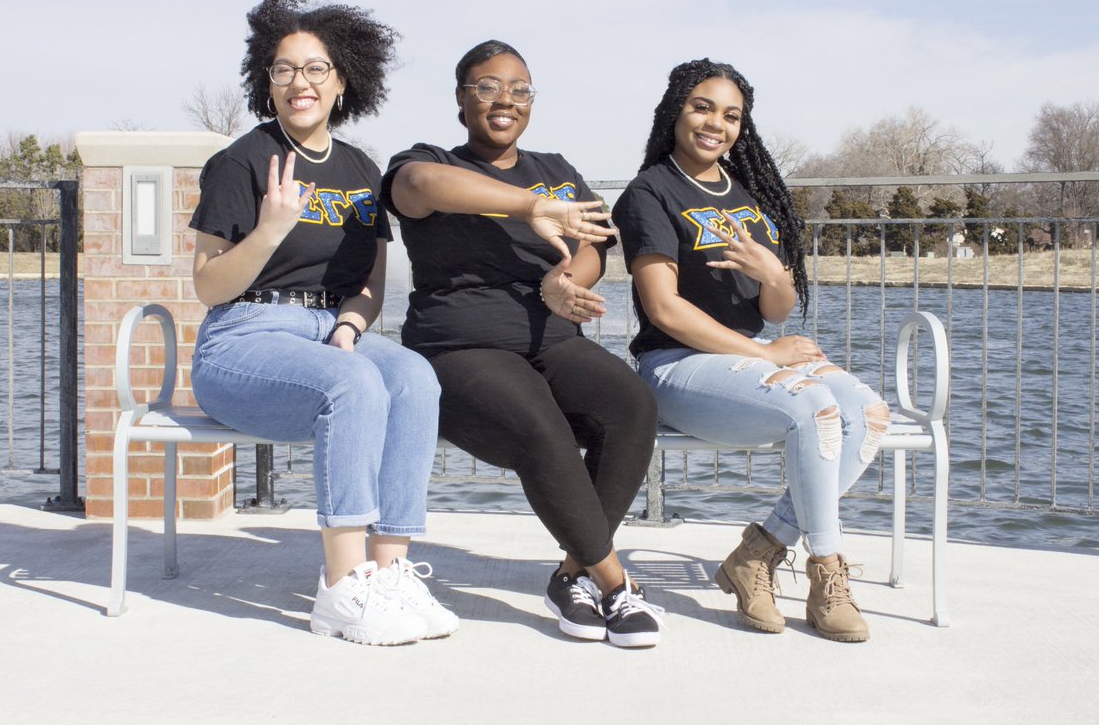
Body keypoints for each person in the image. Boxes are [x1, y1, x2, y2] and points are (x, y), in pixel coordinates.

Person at [189, 0, 455, 647]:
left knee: (414, 376)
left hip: (326, 332)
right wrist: (270, 230)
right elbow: (206, 284)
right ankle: (341, 585)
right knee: (354, 384)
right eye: (284, 69)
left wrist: (349, 329)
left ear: (343, 81)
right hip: (242, 340)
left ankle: (389, 572)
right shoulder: (242, 162)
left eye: (315, 69)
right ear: (266, 80)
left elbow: (370, 279)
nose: (298, 82)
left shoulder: (361, 170)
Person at [381, 39, 665, 648]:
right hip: (460, 347)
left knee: (631, 405)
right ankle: (615, 585)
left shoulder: (556, 168)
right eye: (486, 87)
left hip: (551, 337)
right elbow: (423, 185)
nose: (504, 99)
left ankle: (571, 574)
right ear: (461, 100)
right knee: (542, 426)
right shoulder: (427, 159)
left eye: (519, 89)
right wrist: (532, 208)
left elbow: (592, 244)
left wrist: (562, 279)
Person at [613, 59, 890, 642]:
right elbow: (663, 309)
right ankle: (826, 572)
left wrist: (774, 272)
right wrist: (767, 356)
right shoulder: (649, 193)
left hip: (752, 352)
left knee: (866, 412)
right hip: (677, 366)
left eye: (732, 115)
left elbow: (776, 310)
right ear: (675, 112)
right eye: (703, 107)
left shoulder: (748, 194)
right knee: (812, 404)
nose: (717, 124)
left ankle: (760, 550)